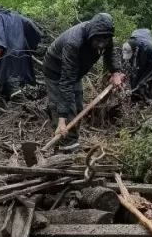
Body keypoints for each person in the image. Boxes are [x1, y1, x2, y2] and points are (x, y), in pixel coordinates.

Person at [43, 13, 127, 150]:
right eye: (97, 41)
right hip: (56, 70)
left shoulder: (105, 35)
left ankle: (71, 138)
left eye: (104, 41)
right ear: (91, 35)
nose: (101, 45)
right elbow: (66, 82)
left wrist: (115, 73)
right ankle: (67, 146)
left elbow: (110, 52)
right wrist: (62, 120)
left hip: (76, 70)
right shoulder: (73, 43)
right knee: (66, 107)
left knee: (78, 106)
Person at [0, 4, 42, 98]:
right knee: (17, 76)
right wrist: (31, 45)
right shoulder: (15, 15)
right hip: (21, 51)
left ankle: (20, 101)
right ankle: (12, 98)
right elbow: (31, 26)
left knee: (9, 77)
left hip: (7, 51)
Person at [122, 28, 152, 102]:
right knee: (137, 81)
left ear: (135, 50)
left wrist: (144, 80)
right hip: (143, 61)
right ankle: (137, 100)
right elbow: (133, 72)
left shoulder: (149, 47)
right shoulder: (128, 46)